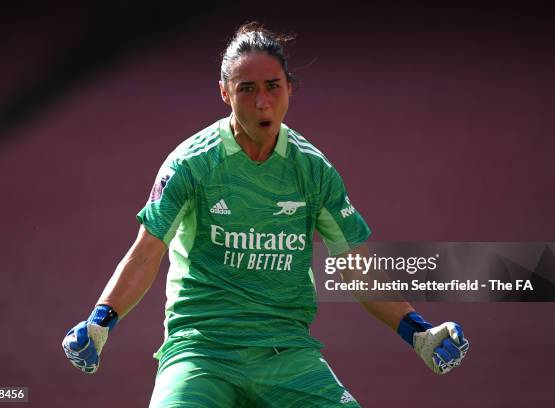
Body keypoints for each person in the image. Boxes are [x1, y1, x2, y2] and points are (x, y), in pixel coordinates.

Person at [62, 22, 469, 407]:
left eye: (273, 86)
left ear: (290, 88)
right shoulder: (191, 164)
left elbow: (355, 266)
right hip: (201, 351)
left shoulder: (313, 170)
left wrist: (419, 332)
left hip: (287, 353)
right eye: (246, 89)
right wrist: (101, 321)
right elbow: (145, 253)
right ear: (224, 93)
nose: (262, 101)